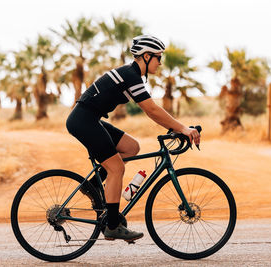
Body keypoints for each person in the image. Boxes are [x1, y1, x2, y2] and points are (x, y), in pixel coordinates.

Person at [66, 35, 200, 242]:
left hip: (88, 118)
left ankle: (92, 187)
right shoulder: (130, 74)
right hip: (84, 120)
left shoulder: (133, 75)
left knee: (131, 147)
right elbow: (152, 110)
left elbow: (152, 109)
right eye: (158, 57)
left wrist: (176, 128)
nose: (160, 62)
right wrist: (182, 128)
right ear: (146, 56)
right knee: (116, 168)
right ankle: (112, 225)